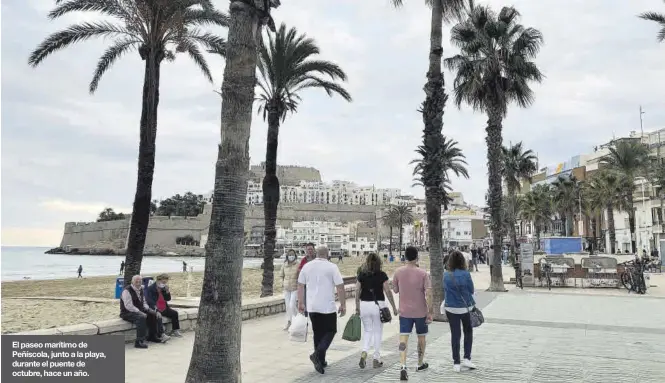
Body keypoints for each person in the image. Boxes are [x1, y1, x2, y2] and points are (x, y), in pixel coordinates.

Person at [298, 246, 346, 374]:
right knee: (331, 330)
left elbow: (300, 285)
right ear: (327, 254)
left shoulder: (307, 266)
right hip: (327, 307)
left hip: (312, 306)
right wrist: (343, 304)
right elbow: (340, 287)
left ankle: (321, 361)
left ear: (316, 254)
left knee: (318, 333)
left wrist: (301, 303)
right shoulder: (332, 267)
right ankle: (317, 354)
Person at [392, 246, 432, 381]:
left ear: (405, 257)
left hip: (404, 312)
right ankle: (420, 363)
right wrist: (430, 311)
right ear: (416, 257)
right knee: (421, 337)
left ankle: (403, 365)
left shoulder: (398, 272)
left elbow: (395, 290)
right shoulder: (423, 273)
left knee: (403, 338)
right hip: (420, 311)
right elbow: (429, 294)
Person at [355, 253, 397, 369]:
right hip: (378, 305)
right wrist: (393, 307)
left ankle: (364, 353)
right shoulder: (382, 275)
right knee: (377, 332)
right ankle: (376, 358)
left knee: (368, 331)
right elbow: (388, 291)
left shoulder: (361, 275)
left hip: (364, 305)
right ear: (379, 263)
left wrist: (357, 306)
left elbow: (357, 290)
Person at [443, 250, 477, 372]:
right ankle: (467, 358)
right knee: (468, 331)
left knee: (455, 334)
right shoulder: (466, 274)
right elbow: (472, 290)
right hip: (465, 308)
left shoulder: (446, 275)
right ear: (462, 261)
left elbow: (445, 290)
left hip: (451, 308)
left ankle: (456, 362)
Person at [120, 275, 168, 348]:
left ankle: (152, 336)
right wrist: (140, 312)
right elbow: (129, 306)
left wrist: (149, 310)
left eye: (140, 281)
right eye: (136, 281)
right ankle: (139, 341)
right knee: (141, 318)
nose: (138, 283)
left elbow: (144, 302)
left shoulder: (141, 289)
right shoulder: (126, 291)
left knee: (153, 315)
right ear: (132, 282)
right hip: (127, 312)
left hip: (139, 310)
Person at [146, 274, 182, 338]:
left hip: (164, 308)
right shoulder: (151, 288)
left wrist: (167, 291)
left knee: (174, 313)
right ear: (158, 280)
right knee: (158, 316)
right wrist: (156, 310)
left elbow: (168, 299)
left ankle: (175, 330)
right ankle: (162, 334)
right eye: (163, 282)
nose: (164, 284)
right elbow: (149, 301)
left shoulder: (163, 288)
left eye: (165, 282)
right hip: (156, 308)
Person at [280, 249, 299, 331]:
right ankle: (290, 322)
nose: (291, 256)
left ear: (295, 256)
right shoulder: (284, 265)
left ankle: (296, 320)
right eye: (290, 255)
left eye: (292, 255)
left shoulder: (298, 264)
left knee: (292, 305)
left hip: (295, 288)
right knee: (288, 306)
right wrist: (282, 283)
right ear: (287, 256)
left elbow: (301, 275)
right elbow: (281, 275)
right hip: (286, 288)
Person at [296, 243, 317, 315]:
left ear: (314, 250)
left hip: (316, 285)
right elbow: (299, 270)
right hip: (306, 285)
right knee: (305, 300)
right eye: (308, 249)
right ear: (306, 250)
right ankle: (306, 314)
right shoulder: (304, 260)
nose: (310, 251)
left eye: (311, 249)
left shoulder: (318, 259)